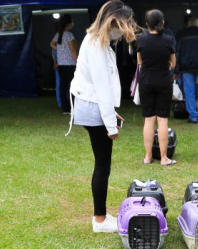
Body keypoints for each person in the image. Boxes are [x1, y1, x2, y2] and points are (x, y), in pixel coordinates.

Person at [69, 0, 136, 233]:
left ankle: (101, 216)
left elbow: (99, 88)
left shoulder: (97, 41)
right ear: (114, 21)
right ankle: (99, 219)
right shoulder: (97, 45)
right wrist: (110, 124)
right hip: (92, 109)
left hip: (92, 107)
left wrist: (110, 114)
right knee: (102, 166)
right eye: (124, 24)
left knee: (102, 164)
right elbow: (102, 88)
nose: (125, 30)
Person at [136, 10, 177, 166]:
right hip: (163, 81)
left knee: (149, 119)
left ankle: (148, 157)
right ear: (162, 22)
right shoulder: (168, 40)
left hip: (146, 81)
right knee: (162, 120)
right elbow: (173, 64)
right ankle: (164, 158)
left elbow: (140, 62)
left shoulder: (142, 40)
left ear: (147, 24)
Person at [175, 16, 198, 123]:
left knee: (189, 92)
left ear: (188, 25)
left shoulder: (182, 35)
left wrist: (176, 70)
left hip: (186, 68)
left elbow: (177, 53)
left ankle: (193, 116)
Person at [51, 15, 78, 115]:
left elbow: (51, 44)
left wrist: (61, 49)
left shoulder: (59, 34)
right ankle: (74, 107)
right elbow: (73, 49)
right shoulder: (69, 35)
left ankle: (65, 109)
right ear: (69, 23)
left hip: (61, 65)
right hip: (70, 64)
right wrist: (77, 61)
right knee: (73, 87)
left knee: (63, 87)